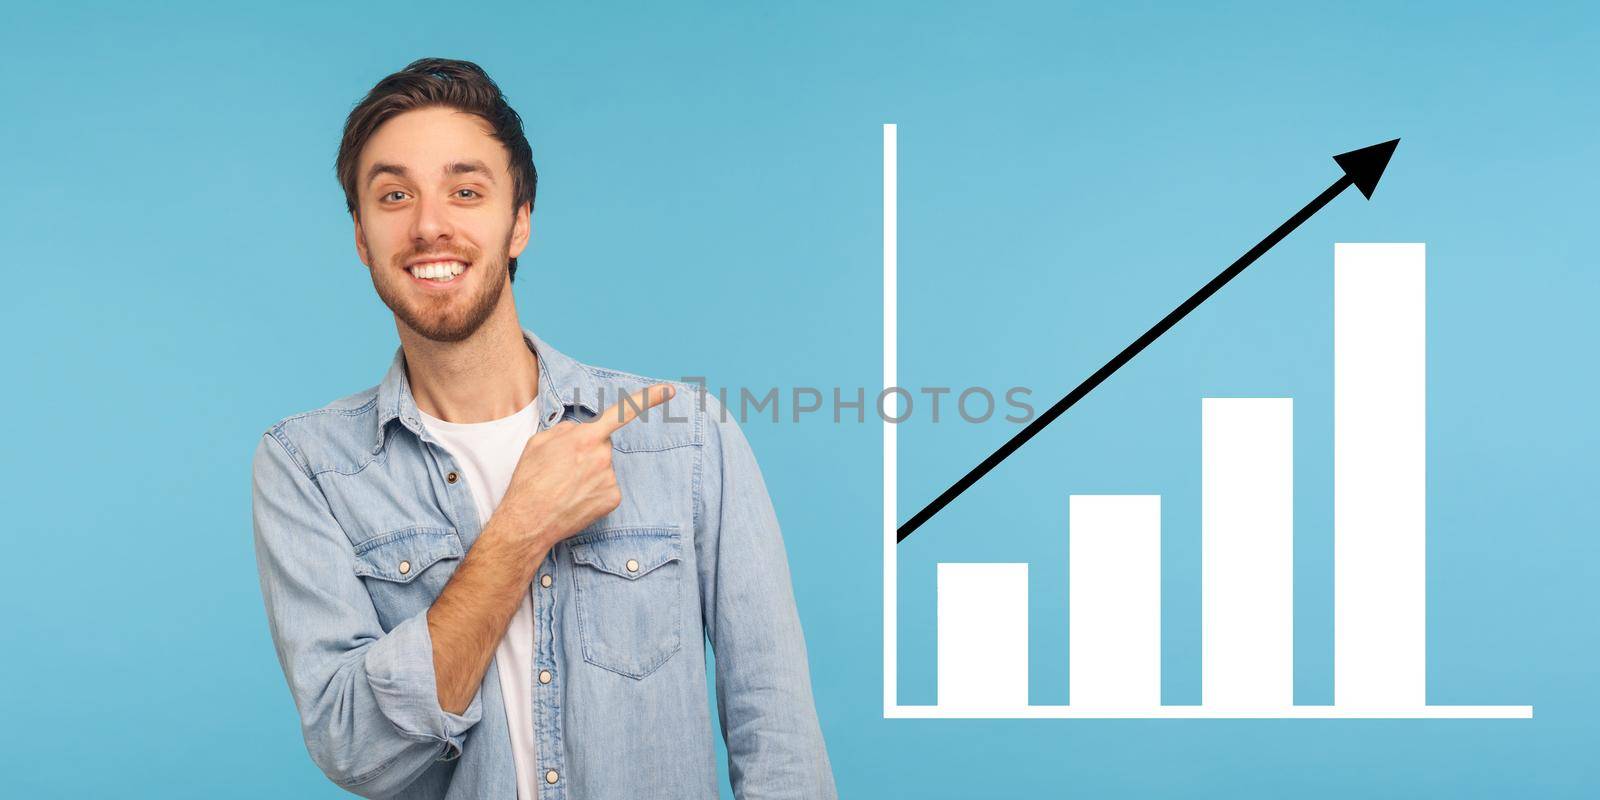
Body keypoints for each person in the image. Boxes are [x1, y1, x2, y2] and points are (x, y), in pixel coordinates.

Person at [250, 57, 836, 799]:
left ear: (519, 221)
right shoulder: (308, 468)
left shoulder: (684, 441)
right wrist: (522, 526)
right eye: (394, 195)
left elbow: (777, 734)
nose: (430, 224)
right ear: (362, 238)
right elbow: (359, 750)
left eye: (466, 191)